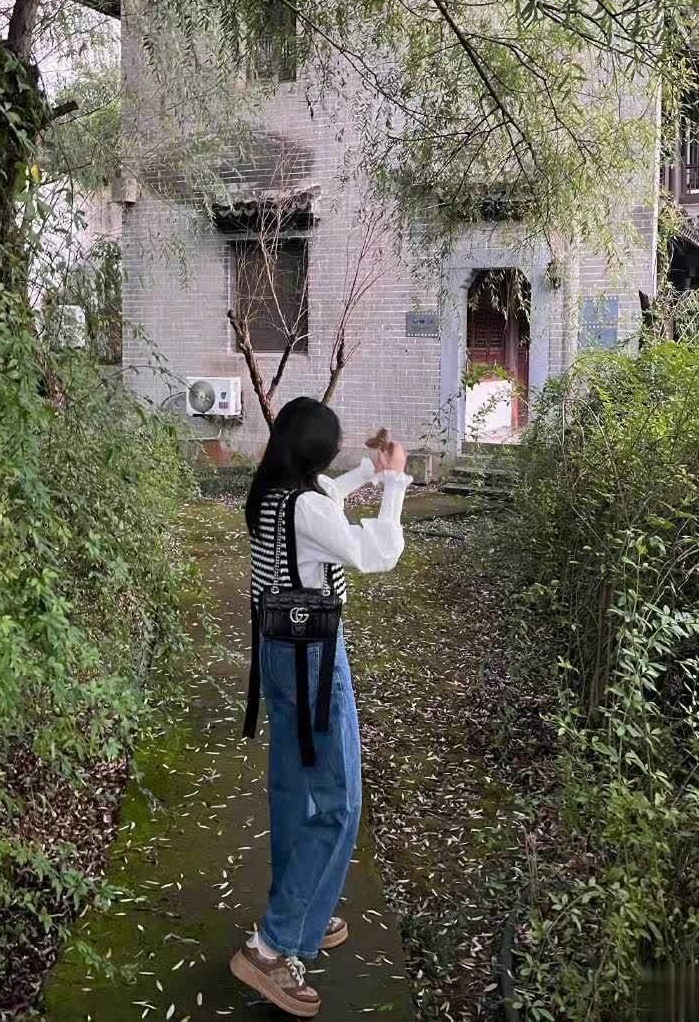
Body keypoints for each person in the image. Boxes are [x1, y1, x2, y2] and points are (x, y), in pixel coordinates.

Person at [230, 397, 411, 1018]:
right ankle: (271, 947)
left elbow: (324, 498)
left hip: (277, 652)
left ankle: (300, 907)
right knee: (339, 801)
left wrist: (367, 470)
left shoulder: (269, 495)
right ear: (313, 454)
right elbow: (374, 553)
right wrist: (394, 485)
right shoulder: (306, 507)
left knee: (292, 791)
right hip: (313, 659)